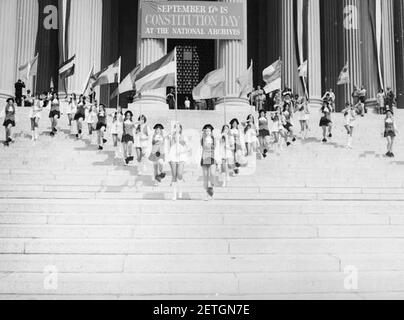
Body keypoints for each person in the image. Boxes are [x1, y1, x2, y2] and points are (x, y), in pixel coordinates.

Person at [167, 122, 189, 201]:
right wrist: (172, 133)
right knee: (174, 175)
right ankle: (174, 194)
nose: (177, 128)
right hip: (173, 155)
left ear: (180, 129)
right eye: (175, 127)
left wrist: (182, 144)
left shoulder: (183, 137)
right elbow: (166, 139)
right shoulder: (171, 136)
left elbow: (187, 147)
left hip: (181, 156)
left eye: (178, 127)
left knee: (179, 174)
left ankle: (180, 189)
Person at [201, 124, 217, 200]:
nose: (207, 132)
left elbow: (214, 147)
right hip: (204, 158)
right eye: (206, 130)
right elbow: (204, 146)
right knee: (205, 176)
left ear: (211, 132)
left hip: (212, 157)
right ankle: (207, 194)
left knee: (212, 174)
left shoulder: (213, 139)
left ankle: (211, 189)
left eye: (209, 130)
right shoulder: (203, 139)